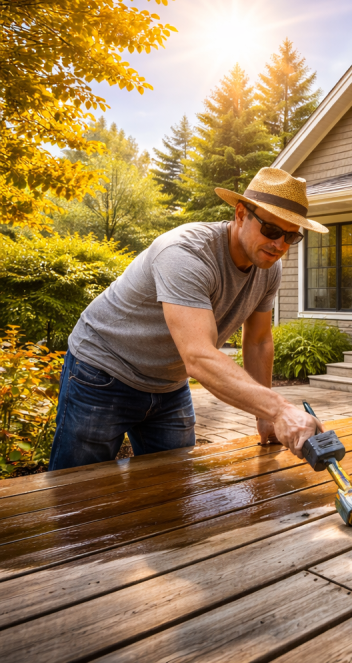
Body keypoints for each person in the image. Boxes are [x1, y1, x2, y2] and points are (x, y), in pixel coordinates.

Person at [49, 167, 328, 470]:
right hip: (102, 371)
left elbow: (259, 341)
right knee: (76, 491)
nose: (280, 245)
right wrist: (279, 410)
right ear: (240, 214)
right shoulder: (186, 253)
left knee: (174, 488)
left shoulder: (269, 268)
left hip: (169, 384)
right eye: (272, 231)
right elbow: (199, 356)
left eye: (291, 236)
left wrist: (264, 417)